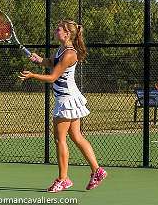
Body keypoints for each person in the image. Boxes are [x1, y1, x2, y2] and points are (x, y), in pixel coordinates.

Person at [18, 20, 107, 193]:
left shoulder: (69, 54)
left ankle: (63, 179)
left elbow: (52, 77)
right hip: (68, 98)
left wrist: (32, 75)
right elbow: (52, 63)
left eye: (58, 29)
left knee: (60, 139)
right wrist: (40, 60)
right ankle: (97, 170)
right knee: (76, 136)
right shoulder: (62, 49)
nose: (55, 30)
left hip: (66, 100)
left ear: (67, 33)